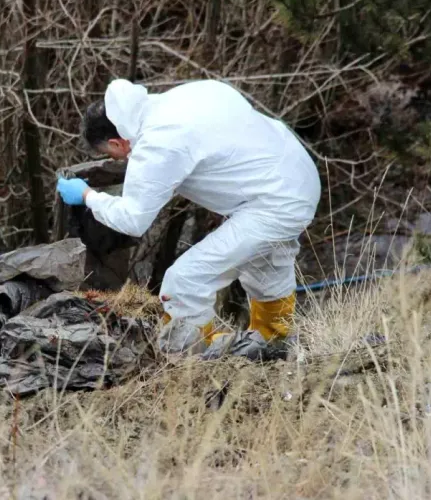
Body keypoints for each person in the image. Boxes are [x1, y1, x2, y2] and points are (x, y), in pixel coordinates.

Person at [56, 78, 321, 358]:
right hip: (295, 171)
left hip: (275, 200)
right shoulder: (180, 99)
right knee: (266, 265)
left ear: (116, 141)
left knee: (184, 283)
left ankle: (192, 363)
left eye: (113, 155)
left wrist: (88, 196)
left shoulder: (158, 144)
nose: (120, 161)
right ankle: (275, 344)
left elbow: (133, 219)